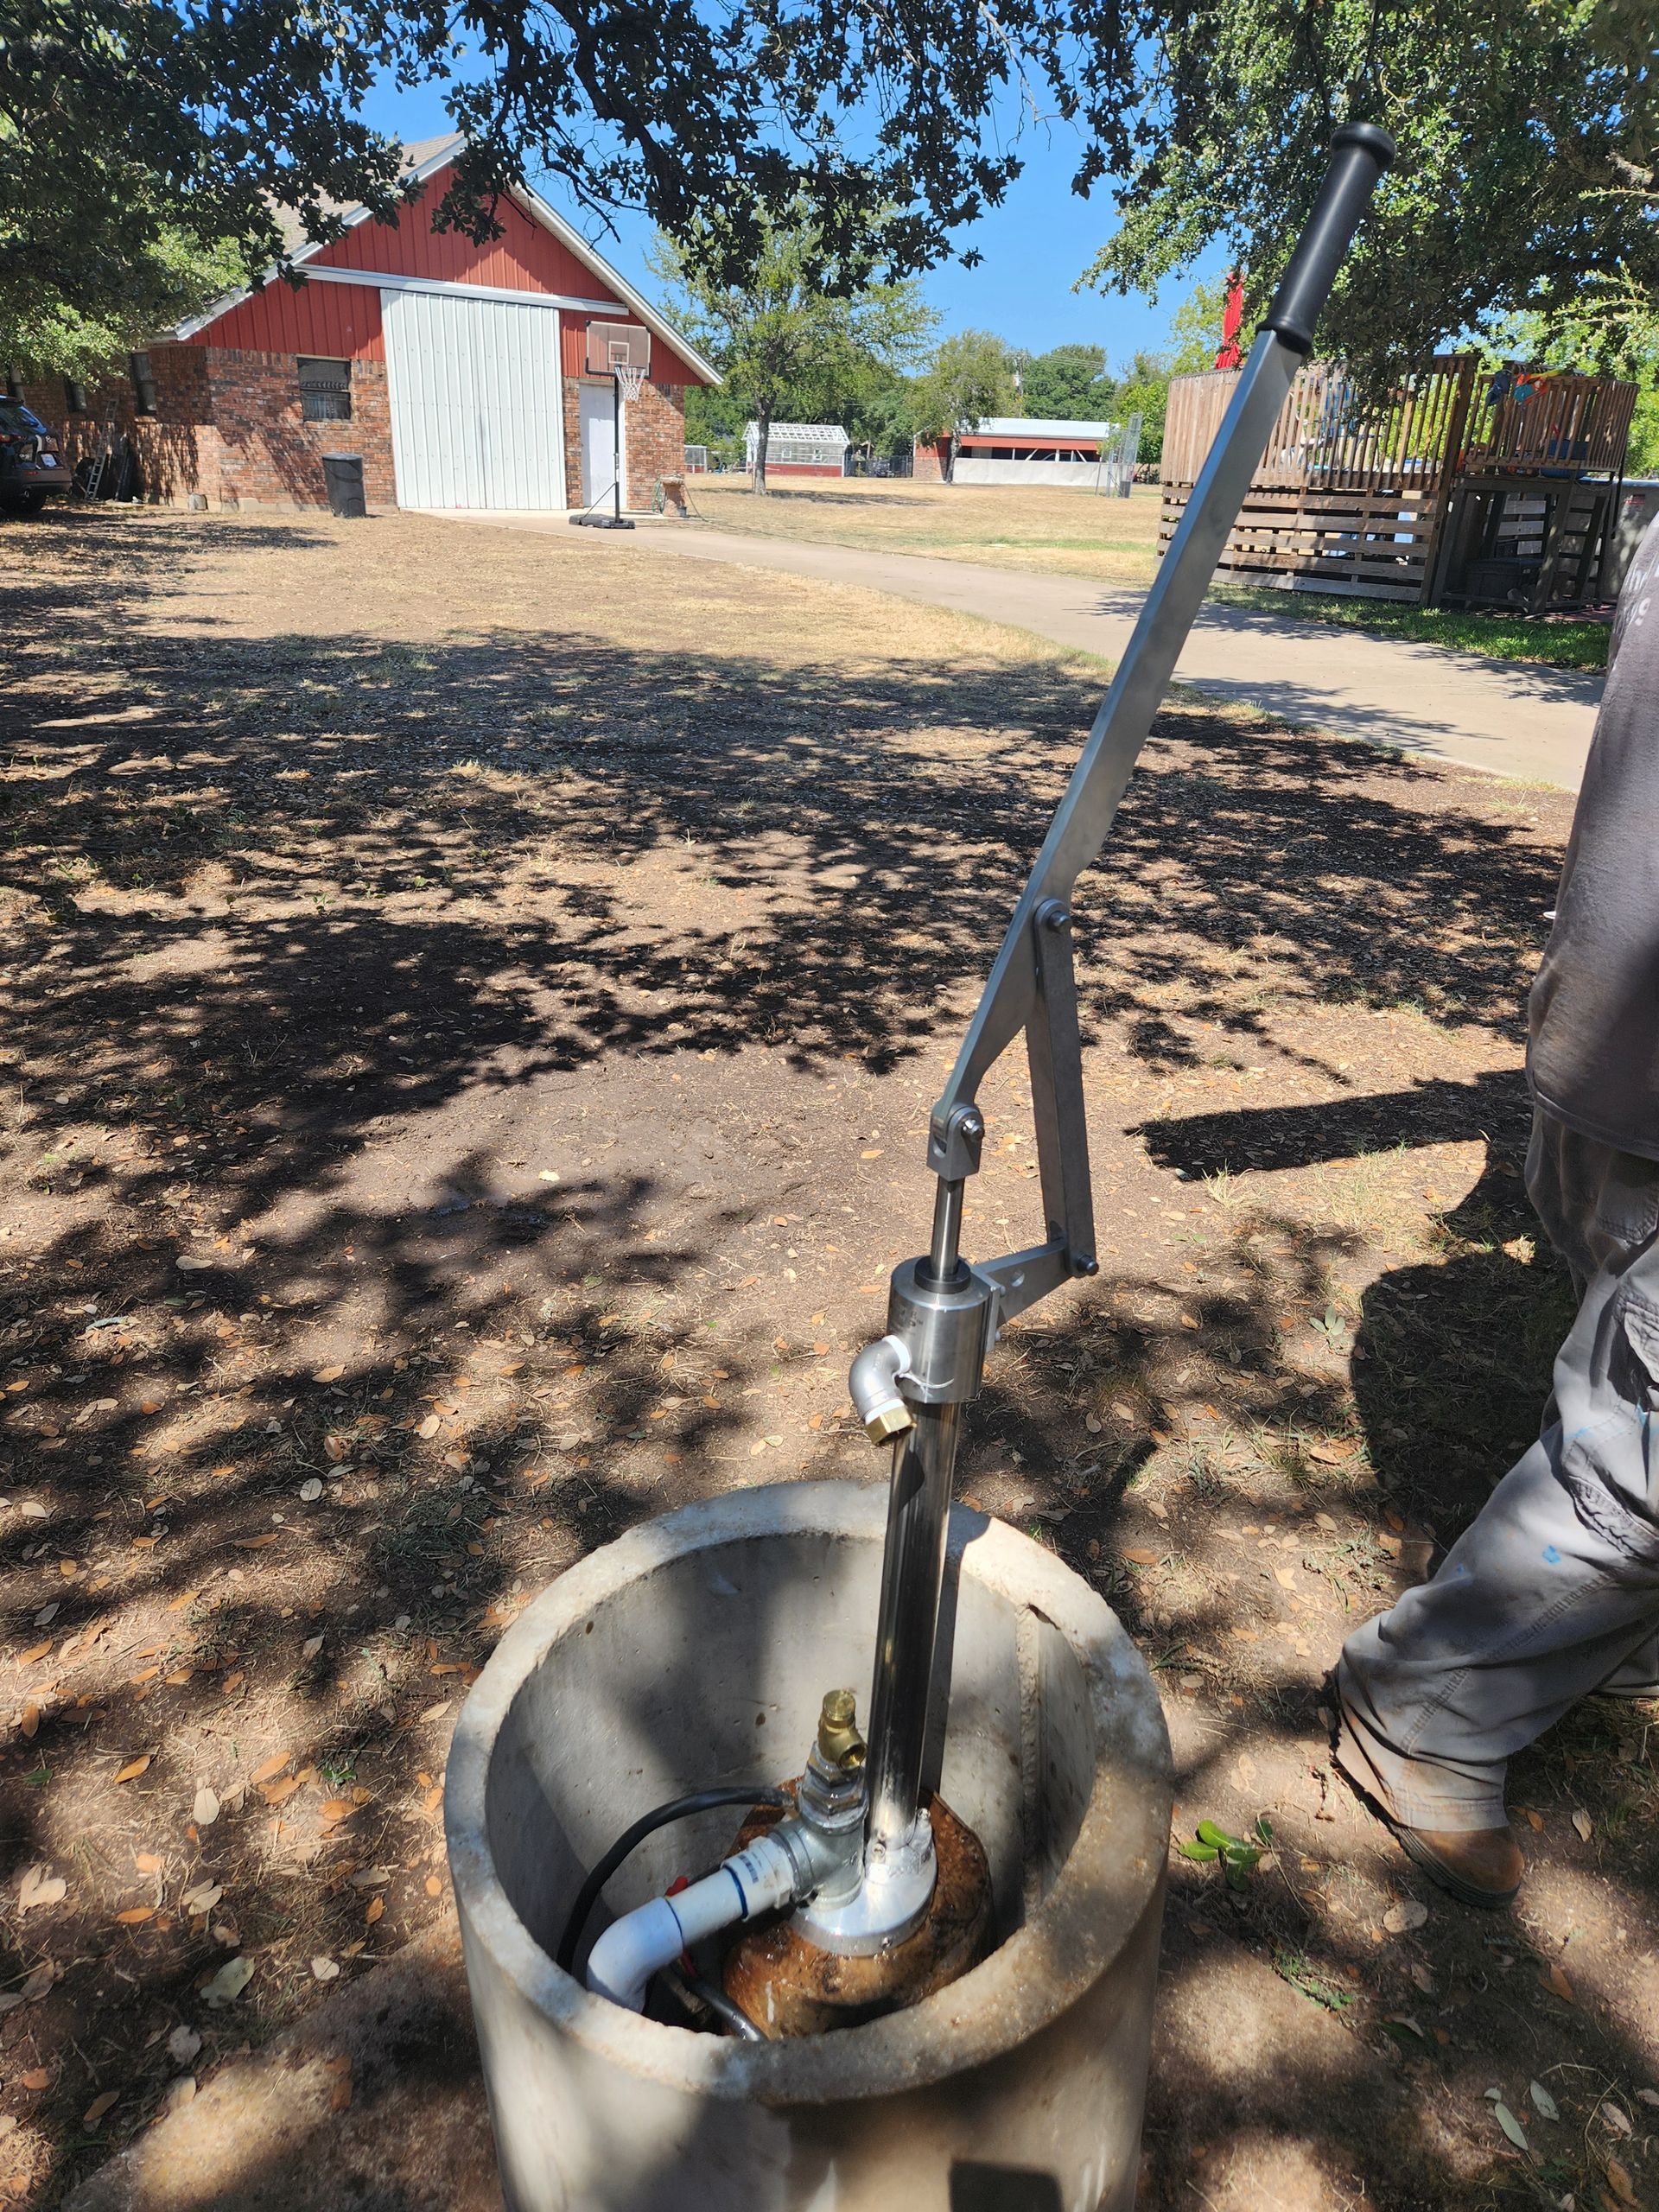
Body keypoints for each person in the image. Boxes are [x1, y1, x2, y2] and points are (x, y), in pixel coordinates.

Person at [1335, 511, 1659, 1904]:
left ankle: (1612, 1629)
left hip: (1608, 1050)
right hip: (1633, 1064)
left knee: (1626, 1369)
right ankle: (1426, 1699)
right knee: (1641, 1461)